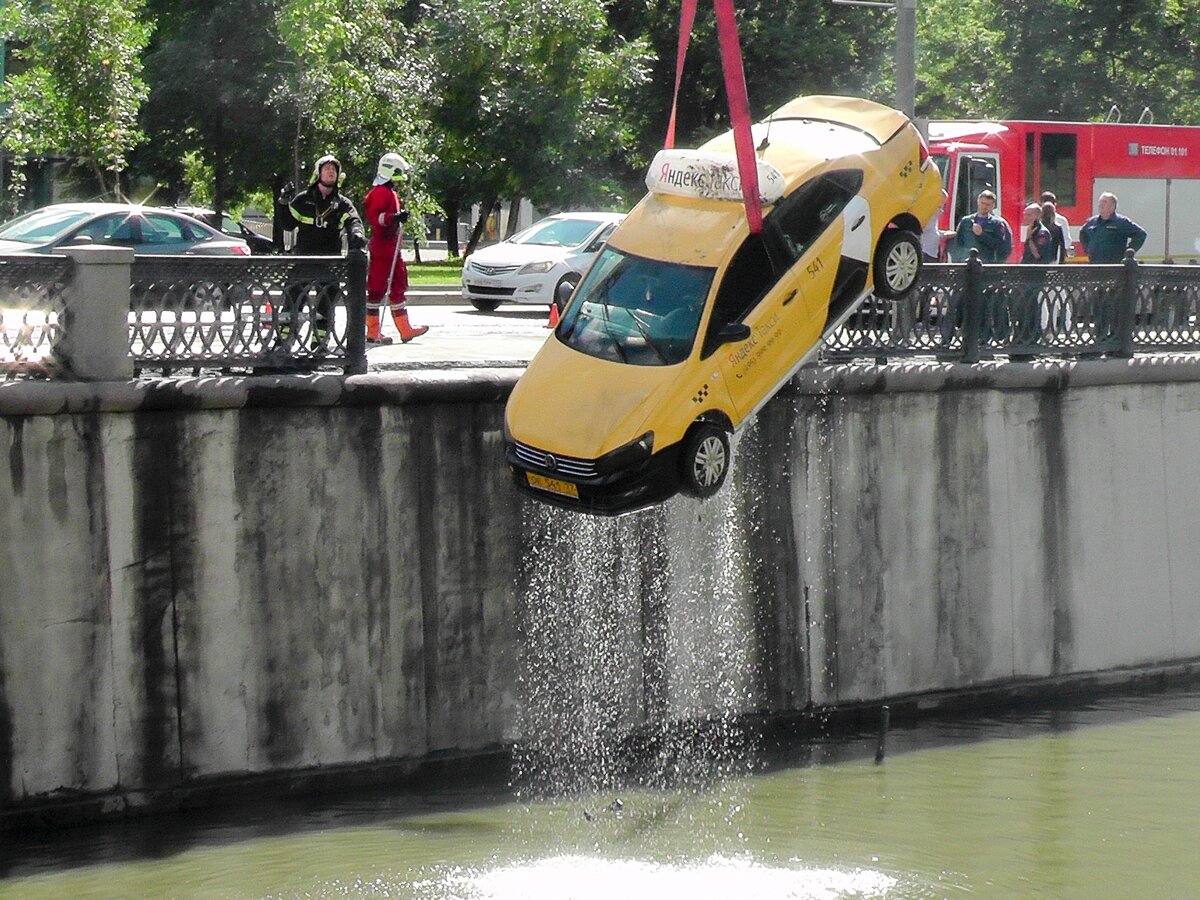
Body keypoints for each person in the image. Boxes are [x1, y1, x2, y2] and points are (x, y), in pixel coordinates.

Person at [275, 154, 366, 349]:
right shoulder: (303, 200)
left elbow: (354, 222)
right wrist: (283, 203)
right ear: (319, 173)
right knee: (293, 301)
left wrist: (357, 234)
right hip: (304, 261)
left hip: (330, 263)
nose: (331, 172)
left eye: (334, 170)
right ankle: (283, 342)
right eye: (327, 169)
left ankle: (319, 344)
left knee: (326, 305)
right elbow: (287, 225)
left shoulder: (342, 204)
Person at [363, 152, 428, 344]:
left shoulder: (390, 192)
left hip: (392, 249)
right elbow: (377, 219)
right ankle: (373, 330)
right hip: (382, 249)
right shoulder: (379, 193)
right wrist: (394, 218)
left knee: (399, 285)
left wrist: (397, 218)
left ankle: (404, 328)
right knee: (376, 289)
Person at [1079, 192, 1147, 263]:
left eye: (1104, 202)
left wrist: (1129, 251)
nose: (1100, 204)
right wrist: (1088, 249)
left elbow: (1141, 234)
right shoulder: (1092, 222)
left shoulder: (1121, 222)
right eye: (1100, 202)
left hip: (1115, 266)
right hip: (1095, 265)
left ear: (1113, 206)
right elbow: (1083, 233)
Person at [951, 190, 1012, 263]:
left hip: (988, 265)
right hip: (966, 264)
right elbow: (957, 244)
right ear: (978, 202)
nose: (984, 206)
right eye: (982, 203)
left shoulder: (998, 224)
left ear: (993, 205)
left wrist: (982, 235)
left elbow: (1002, 247)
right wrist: (957, 262)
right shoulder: (966, 221)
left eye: (988, 204)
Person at [1040, 191, 1074, 261]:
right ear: (1055, 204)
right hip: (1056, 258)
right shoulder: (1062, 221)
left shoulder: (1037, 220)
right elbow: (1067, 241)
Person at [921, 190, 952, 262]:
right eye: (941, 203)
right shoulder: (926, 213)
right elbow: (923, 229)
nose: (942, 207)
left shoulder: (934, 214)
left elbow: (932, 231)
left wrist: (944, 234)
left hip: (931, 253)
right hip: (925, 252)